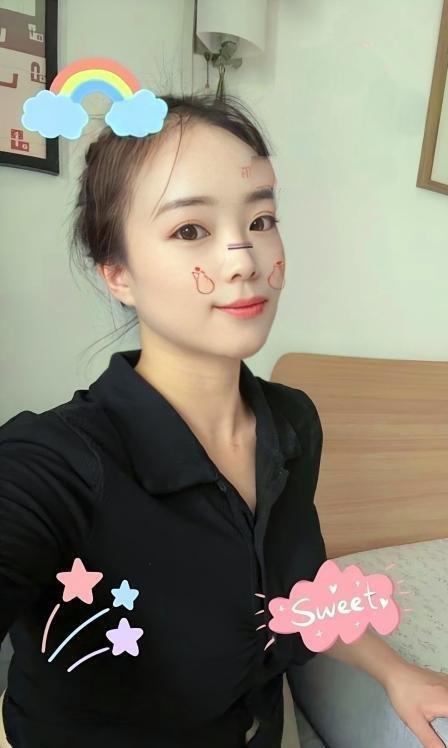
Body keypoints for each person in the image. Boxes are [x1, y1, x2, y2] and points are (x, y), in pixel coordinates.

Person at [0, 92, 323, 748]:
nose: (244, 259)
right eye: (190, 230)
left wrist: (395, 673)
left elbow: (302, 594)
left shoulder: (294, 423)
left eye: (261, 219)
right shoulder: (56, 462)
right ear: (118, 273)